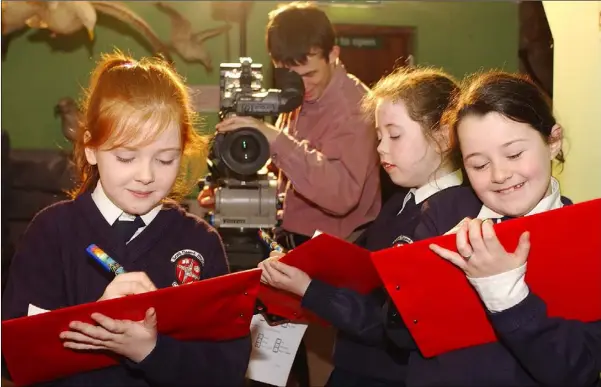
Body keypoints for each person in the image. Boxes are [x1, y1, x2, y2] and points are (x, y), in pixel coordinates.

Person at [1, 51, 251, 386]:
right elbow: (14, 358)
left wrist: (152, 351)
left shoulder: (200, 243)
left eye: (165, 159)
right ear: (90, 146)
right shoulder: (51, 233)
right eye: (126, 157)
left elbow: (227, 370)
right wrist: (95, 322)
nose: (145, 175)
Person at [387, 71, 601, 386]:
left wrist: (507, 294)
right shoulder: (444, 211)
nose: (500, 174)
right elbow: (397, 335)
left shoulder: (586, 235)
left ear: (553, 141)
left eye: (514, 154)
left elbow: (576, 370)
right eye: (479, 165)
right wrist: (429, 276)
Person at [259, 67, 464, 387]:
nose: (381, 148)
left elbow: (391, 324)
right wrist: (297, 270)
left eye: (395, 135)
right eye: (379, 137)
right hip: (355, 366)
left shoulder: (453, 217)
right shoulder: (397, 204)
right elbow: (360, 277)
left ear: (443, 135)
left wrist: (310, 289)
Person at [199, 1, 381, 247]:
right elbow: (287, 175)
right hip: (290, 239)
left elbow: (341, 195)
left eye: (310, 74)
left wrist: (274, 138)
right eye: (290, 76)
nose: (302, 86)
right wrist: (233, 197)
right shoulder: (299, 95)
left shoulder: (355, 108)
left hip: (335, 249)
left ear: (333, 55)